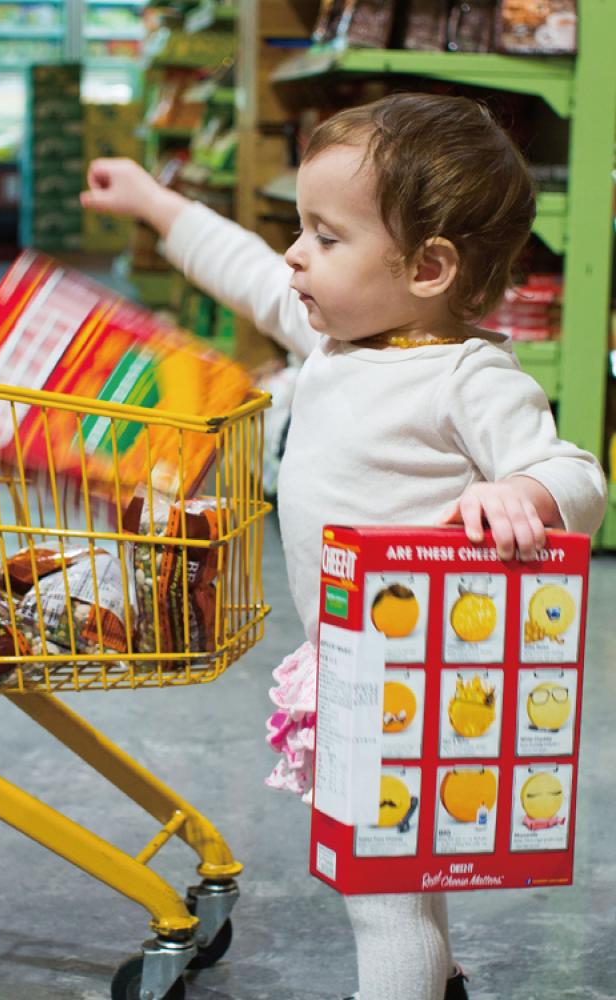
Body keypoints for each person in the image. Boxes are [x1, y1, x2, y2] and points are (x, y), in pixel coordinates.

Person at [80, 92, 607, 1000]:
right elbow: (247, 270)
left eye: (326, 237)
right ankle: (436, 982)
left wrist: (524, 492)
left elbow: (576, 476)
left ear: (430, 267)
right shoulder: (332, 342)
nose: (295, 254)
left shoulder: (464, 376)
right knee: (396, 870)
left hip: (426, 676)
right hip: (359, 664)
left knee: (382, 887)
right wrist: (157, 205)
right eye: (300, 228)